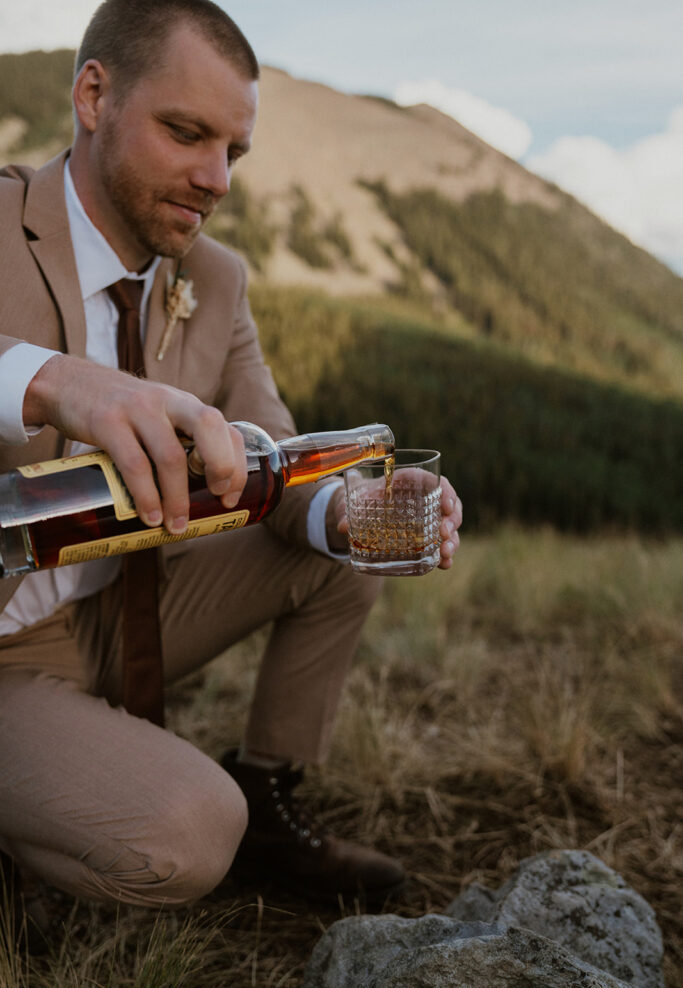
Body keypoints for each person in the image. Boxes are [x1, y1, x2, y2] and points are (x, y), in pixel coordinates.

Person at [0, 0, 462, 916]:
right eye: (185, 133)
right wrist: (48, 380)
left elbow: (278, 455)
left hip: (112, 617)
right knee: (189, 835)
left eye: (234, 152)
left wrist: (348, 514)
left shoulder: (214, 279)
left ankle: (268, 796)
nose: (214, 179)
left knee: (342, 546)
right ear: (94, 95)